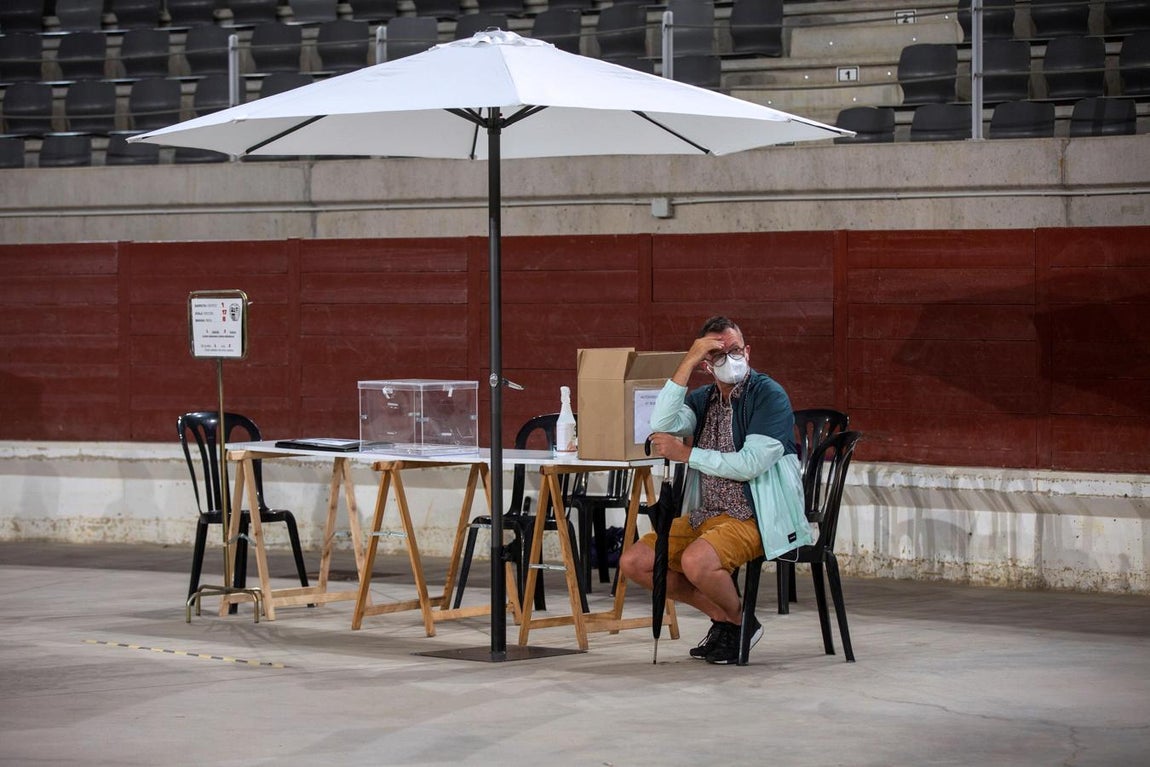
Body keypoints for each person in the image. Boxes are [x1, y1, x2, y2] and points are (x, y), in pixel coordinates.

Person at [618, 316, 810, 665]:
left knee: (695, 562)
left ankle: (734, 623)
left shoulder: (768, 395)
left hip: (755, 516)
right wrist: (687, 361)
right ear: (707, 366)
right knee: (636, 562)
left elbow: (751, 463)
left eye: (735, 351)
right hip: (707, 515)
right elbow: (661, 424)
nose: (731, 360)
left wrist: (687, 454)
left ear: (747, 351)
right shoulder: (704, 398)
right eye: (718, 356)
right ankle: (733, 620)